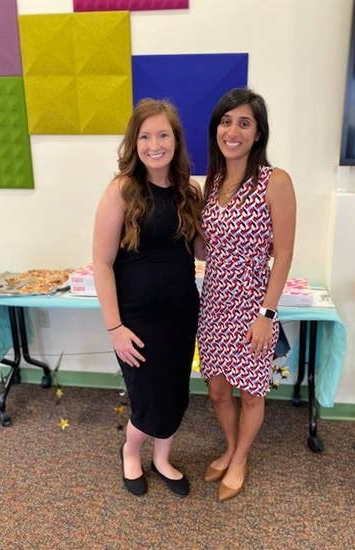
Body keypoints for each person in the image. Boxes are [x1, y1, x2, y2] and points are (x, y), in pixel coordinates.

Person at [93, 98, 203, 498]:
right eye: (145, 135)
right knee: (147, 394)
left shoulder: (188, 189)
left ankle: (162, 459)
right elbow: (102, 264)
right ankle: (131, 451)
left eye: (163, 134)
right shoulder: (122, 189)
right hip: (136, 318)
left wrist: (250, 238)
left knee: (175, 391)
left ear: (175, 140)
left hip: (181, 313)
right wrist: (114, 327)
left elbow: (200, 249)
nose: (154, 144)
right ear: (133, 142)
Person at [197, 88, 296, 501]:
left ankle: (240, 458)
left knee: (251, 392)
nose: (232, 130)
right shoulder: (212, 181)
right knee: (218, 389)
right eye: (225, 121)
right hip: (214, 301)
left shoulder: (275, 181)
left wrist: (267, 314)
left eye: (244, 122)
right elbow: (207, 248)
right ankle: (231, 446)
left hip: (254, 304)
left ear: (258, 133)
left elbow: (285, 252)